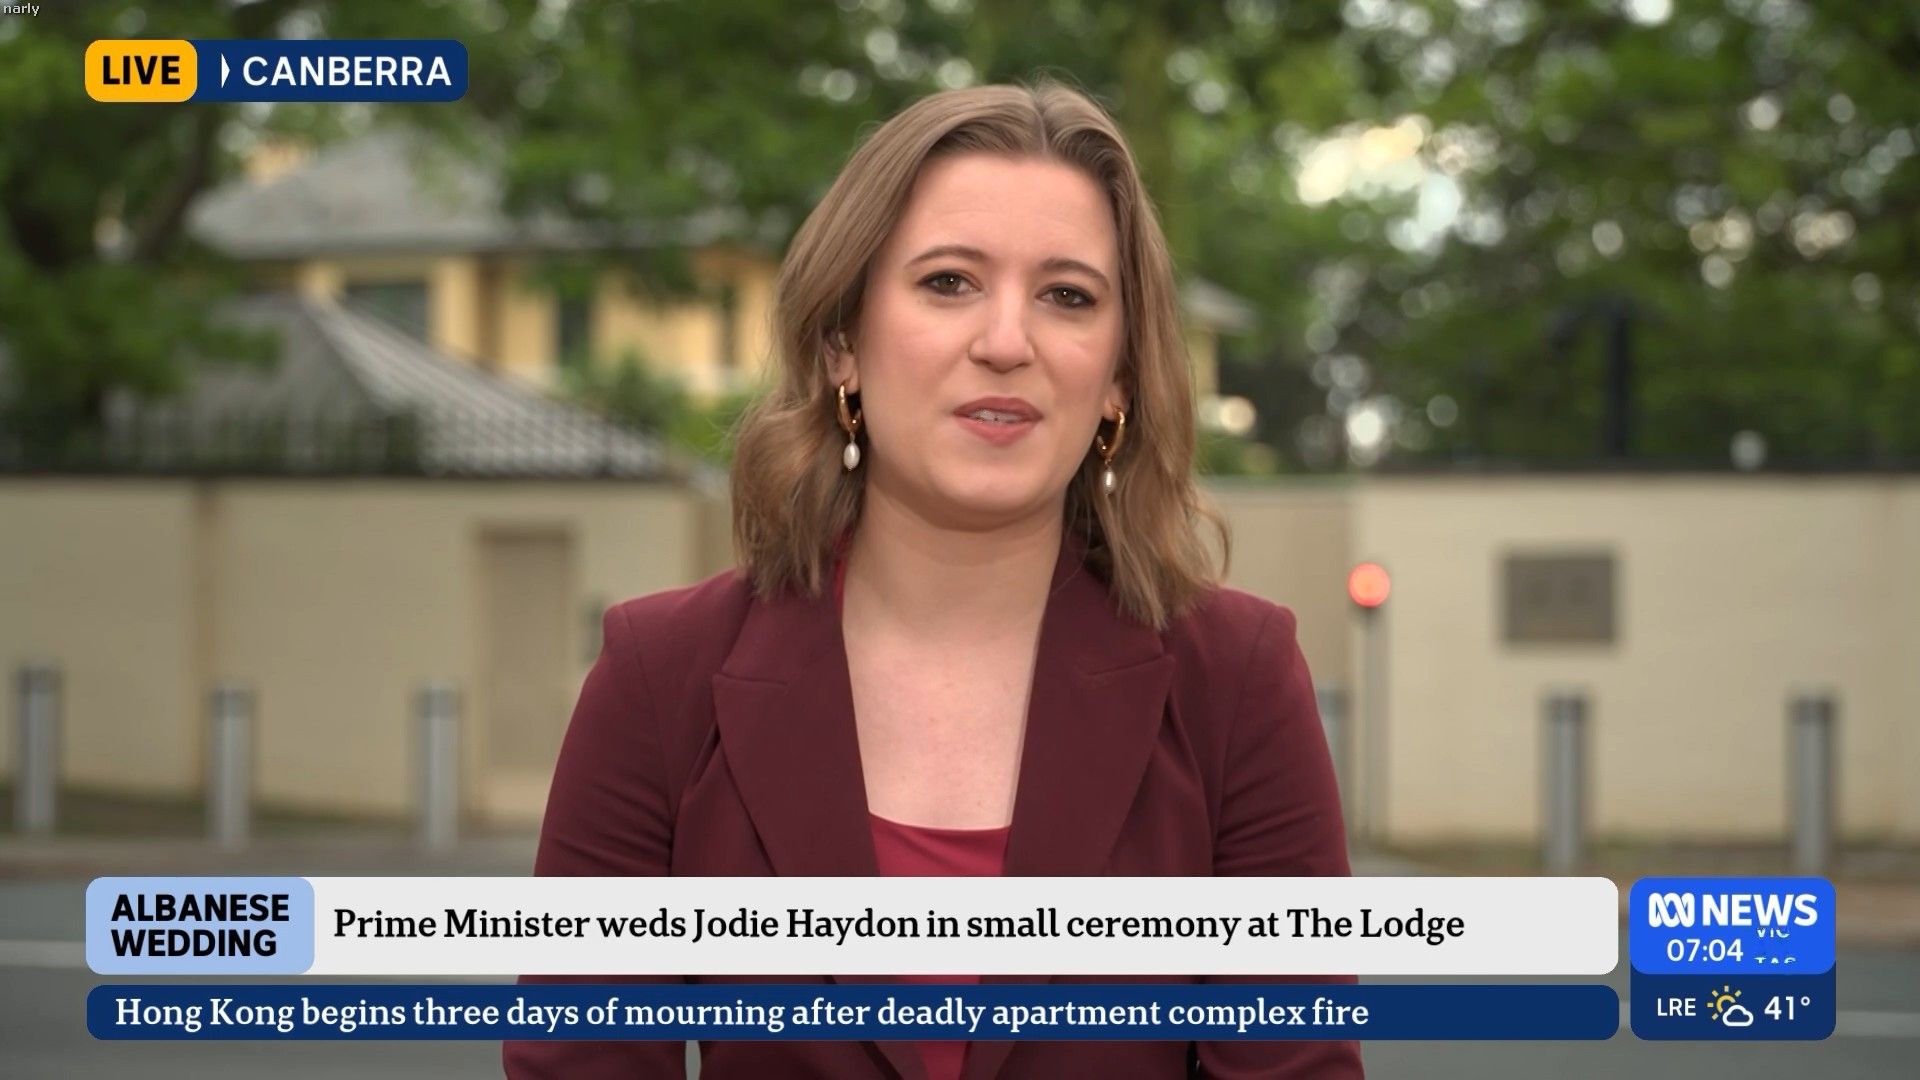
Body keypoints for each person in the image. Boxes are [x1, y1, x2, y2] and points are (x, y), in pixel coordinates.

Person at [503, 80, 1360, 1079]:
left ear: (1120, 377)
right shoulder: (661, 679)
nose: (1006, 343)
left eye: (1068, 296)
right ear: (842, 344)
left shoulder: (1236, 682)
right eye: (950, 282)